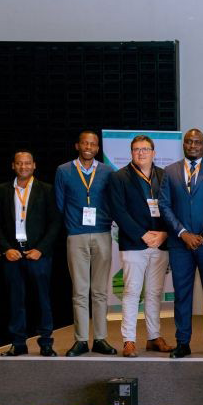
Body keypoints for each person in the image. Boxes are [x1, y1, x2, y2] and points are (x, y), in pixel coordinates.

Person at [159, 128, 203, 358]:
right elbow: (164, 205)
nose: (192, 145)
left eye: (197, 142)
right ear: (184, 145)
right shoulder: (170, 172)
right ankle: (182, 342)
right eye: (188, 142)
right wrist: (182, 233)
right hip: (180, 245)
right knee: (182, 295)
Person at [0, 151, 61, 356]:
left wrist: (41, 249)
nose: (23, 167)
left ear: (34, 165)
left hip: (38, 253)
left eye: (27, 163)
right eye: (19, 163)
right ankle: (18, 343)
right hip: (12, 253)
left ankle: (46, 342)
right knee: (15, 300)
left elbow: (55, 222)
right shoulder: (2, 190)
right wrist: (6, 249)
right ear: (13, 166)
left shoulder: (46, 190)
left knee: (43, 299)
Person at [108, 135, 173, 357]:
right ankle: (129, 340)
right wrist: (142, 235)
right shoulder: (119, 177)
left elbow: (171, 208)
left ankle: (154, 337)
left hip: (161, 243)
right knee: (132, 292)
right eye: (136, 149)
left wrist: (164, 234)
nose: (141, 153)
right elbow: (119, 211)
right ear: (131, 153)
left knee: (155, 293)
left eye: (145, 149)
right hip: (134, 244)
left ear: (154, 153)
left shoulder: (164, 176)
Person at [55, 130, 117, 357]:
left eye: (93, 144)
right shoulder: (63, 171)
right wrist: (72, 227)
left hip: (102, 233)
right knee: (80, 291)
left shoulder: (108, 172)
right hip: (76, 235)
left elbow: (113, 202)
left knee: (100, 291)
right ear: (77, 145)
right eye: (85, 143)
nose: (89, 147)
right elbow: (60, 205)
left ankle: (100, 338)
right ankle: (80, 340)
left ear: (97, 148)